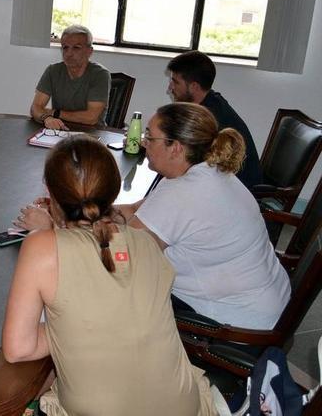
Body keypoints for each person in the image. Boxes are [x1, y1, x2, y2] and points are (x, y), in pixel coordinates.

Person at [3, 135, 215, 416]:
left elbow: (18, 349)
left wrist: (75, 324)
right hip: (184, 406)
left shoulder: (42, 246)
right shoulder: (146, 244)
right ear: (114, 192)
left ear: (48, 189)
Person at [119, 103, 290, 329]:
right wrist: (96, 210)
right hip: (269, 301)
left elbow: (122, 254)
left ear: (176, 148)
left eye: (150, 137)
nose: (143, 142)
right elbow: (136, 211)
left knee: (109, 287)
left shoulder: (181, 193)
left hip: (236, 323)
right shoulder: (208, 171)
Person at [166, 50, 262, 188]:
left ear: (194, 86)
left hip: (236, 190)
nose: (170, 87)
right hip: (221, 180)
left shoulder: (210, 120)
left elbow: (187, 163)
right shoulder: (210, 101)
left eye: (175, 82)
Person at [29, 24, 110, 128]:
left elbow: (91, 118)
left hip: (91, 134)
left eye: (76, 48)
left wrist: (55, 113)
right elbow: (35, 107)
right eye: (65, 48)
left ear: (89, 51)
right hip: (60, 130)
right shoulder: (53, 71)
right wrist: (47, 118)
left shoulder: (100, 74)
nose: (69, 53)